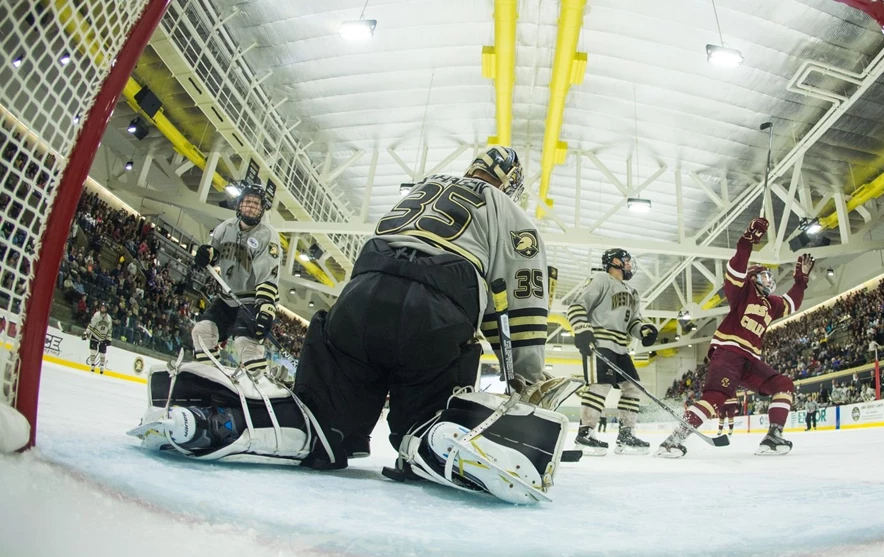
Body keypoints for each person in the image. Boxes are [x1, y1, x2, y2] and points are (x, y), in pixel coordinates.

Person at [129, 146, 569, 506]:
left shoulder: (423, 188)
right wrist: (525, 377)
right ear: (511, 184)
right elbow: (522, 303)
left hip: (359, 299)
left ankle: (214, 416)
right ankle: (436, 441)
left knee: (321, 425)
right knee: (420, 430)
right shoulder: (505, 208)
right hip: (434, 314)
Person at [655, 217, 813, 458]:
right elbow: (737, 265)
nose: (769, 281)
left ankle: (773, 436)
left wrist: (801, 281)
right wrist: (747, 240)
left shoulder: (772, 303)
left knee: (783, 385)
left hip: (749, 359)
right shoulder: (742, 290)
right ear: (753, 278)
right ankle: (673, 441)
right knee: (715, 398)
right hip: (728, 353)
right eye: (764, 276)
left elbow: (792, 303)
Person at [567, 248, 658, 456]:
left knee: (633, 388)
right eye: (626, 260)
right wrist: (582, 329)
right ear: (615, 262)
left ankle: (626, 434)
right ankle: (585, 433)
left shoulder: (633, 292)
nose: (629, 264)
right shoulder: (600, 279)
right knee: (600, 385)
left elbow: (633, 322)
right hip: (600, 341)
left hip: (621, 347)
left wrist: (644, 331)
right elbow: (576, 306)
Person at [191, 178, 281, 377]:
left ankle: (261, 382)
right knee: (202, 331)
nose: (251, 207)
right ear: (239, 204)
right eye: (248, 202)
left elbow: (268, 276)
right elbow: (214, 253)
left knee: (245, 343)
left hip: (252, 300)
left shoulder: (267, 236)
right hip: (227, 299)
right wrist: (206, 254)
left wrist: (265, 310)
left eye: (256, 203)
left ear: (262, 209)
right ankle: (211, 376)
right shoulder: (225, 227)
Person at [83, 302, 113, 374]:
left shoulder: (109, 318)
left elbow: (109, 330)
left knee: (102, 353)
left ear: (106, 309)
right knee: (93, 351)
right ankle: (92, 365)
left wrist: (109, 339)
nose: (103, 309)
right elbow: (91, 325)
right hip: (95, 335)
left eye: (104, 308)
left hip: (103, 337)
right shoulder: (96, 315)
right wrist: (86, 333)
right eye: (102, 307)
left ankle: (102, 366)